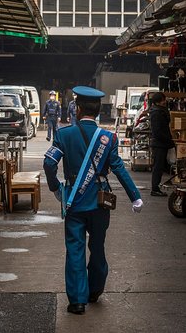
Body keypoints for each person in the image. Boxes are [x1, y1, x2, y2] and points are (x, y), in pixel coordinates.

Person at [43, 85, 143, 315]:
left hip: (74, 202)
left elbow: (49, 163)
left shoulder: (63, 134)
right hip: (99, 202)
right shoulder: (109, 138)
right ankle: (95, 290)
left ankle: (78, 301)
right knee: (97, 246)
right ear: (98, 112)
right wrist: (135, 197)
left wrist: (56, 187)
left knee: (75, 249)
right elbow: (118, 168)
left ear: (77, 109)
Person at [148, 92, 174, 196]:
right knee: (158, 167)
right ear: (158, 101)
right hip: (159, 144)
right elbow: (157, 131)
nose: (165, 101)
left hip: (162, 143)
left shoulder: (159, 111)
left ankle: (156, 187)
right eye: (163, 99)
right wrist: (169, 140)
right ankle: (155, 189)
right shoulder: (157, 113)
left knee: (160, 167)